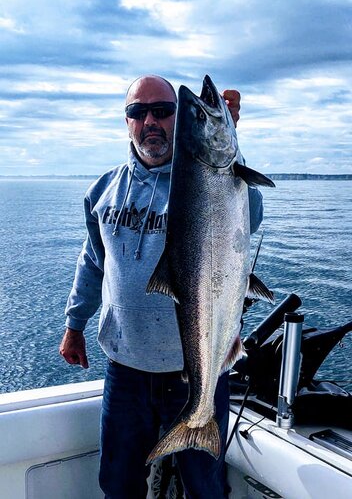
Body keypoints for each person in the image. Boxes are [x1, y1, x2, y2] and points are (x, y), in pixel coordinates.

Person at [59, 75, 263, 499]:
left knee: (205, 487)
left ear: (178, 121)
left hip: (198, 370)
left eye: (163, 111)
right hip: (125, 368)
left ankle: (199, 420)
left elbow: (248, 217)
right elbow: (93, 260)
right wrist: (74, 324)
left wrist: (229, 139)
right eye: (138, 112)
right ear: (127, 121)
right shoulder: (103, 190)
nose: (150, 120)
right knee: (118, 483)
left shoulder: (209, 179)